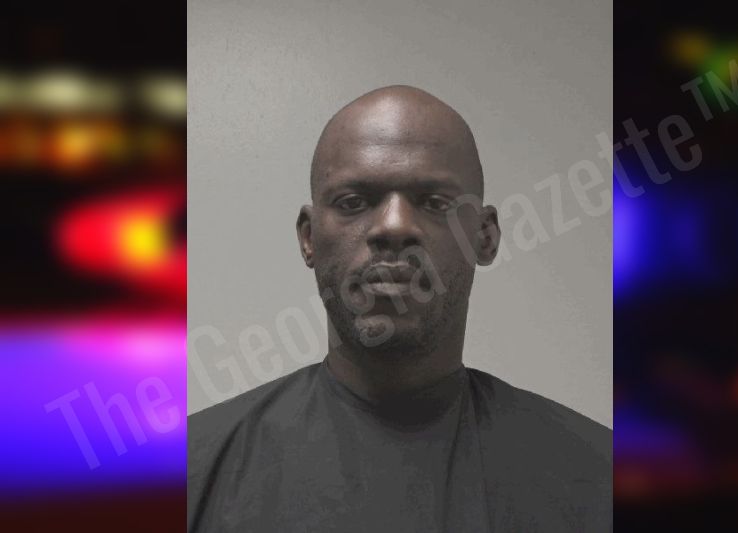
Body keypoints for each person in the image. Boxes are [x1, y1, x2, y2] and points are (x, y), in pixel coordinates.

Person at [188, 85, 611, 532]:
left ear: (484, 237)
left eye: (435, 203)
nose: (394, 226)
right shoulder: (188, 475)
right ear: (309, 237)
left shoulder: (598, 479)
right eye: (353, 202)